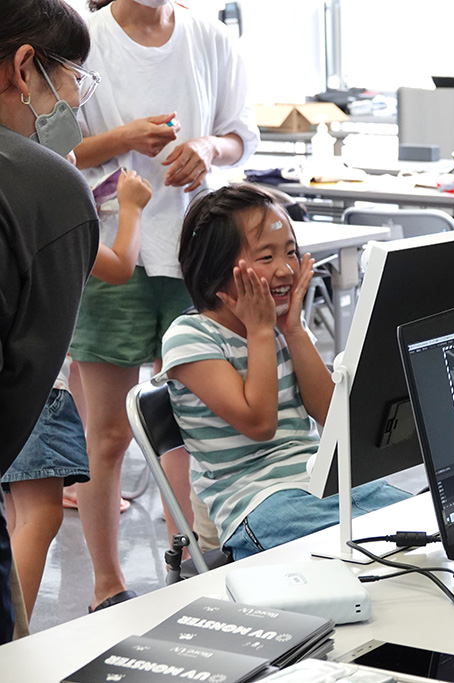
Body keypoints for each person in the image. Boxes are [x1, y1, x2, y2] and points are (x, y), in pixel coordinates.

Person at [69, 0, 259, 612]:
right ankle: (106, 585)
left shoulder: (209, 37)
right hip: (109, 252)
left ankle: (193, 560)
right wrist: (122, 138)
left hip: (195, 250)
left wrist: (209, 148)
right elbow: (56, 153)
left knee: (195, 424)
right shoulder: (83, 39)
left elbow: (241, 134)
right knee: (107, 434)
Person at [161, 184, 410, 561]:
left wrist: (292, 331)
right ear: (216, 266)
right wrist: (261, 332)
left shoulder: (282, 326)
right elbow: (260, 424)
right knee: (361, 552)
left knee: (416, 522)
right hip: (256, 501)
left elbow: (333, 416)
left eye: (291, 253)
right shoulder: (190, 337)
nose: (285, 269)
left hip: (323, 482)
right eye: (266, 257)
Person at [4, 168, 152, 622]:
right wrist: (130, 208)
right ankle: (13, 644)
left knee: (17, 517)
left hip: (14, 379)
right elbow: (120, 266)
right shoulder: (52, 200)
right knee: (41, 515)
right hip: (36, 383)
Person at [0, 0, 101, 642]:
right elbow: (23, 383)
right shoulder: (48, 190)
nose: (74, 101)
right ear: (24, 67)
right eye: (71, 79)